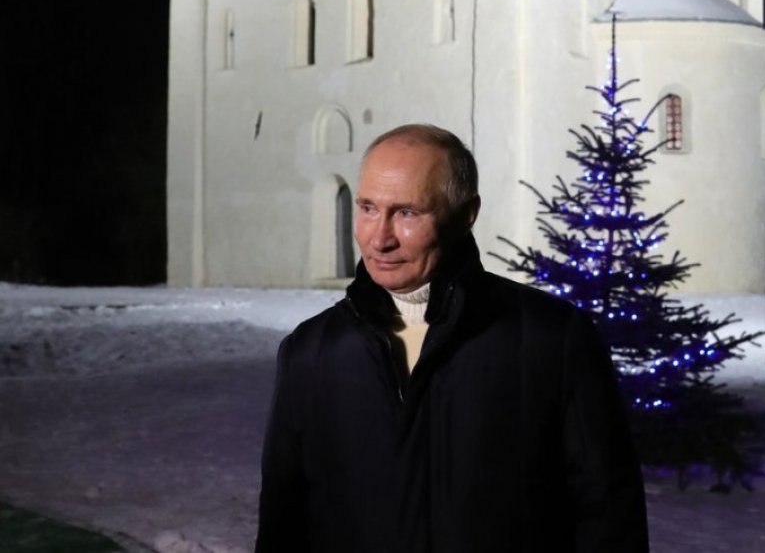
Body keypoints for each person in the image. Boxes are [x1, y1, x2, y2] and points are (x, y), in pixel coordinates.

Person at [254, 123, 649, 552]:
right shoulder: (311, 352)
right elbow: (283, 525)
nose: (380, 238)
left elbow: (609, 518)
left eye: (407, 213)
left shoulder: (552, 339)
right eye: (368, 208)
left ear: (465, 214)